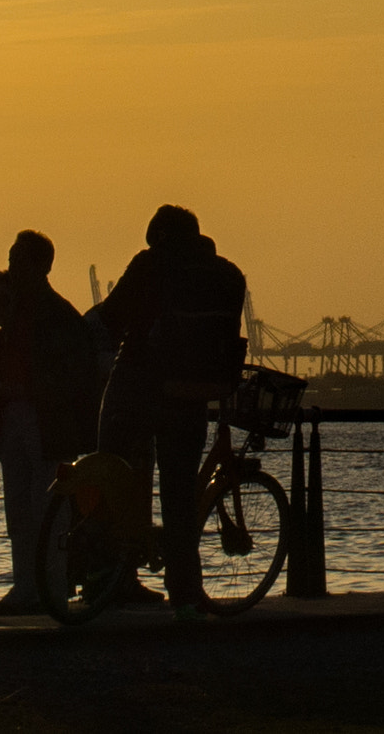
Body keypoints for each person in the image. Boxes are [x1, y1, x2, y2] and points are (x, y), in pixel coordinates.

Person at [91, 205, 247, 622]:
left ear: (158, 236)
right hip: (192, 395)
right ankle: (186, 595)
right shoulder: (228, 275)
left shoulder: (150, 264)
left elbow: (110, 317)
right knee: (179, 496)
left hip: (139, 386)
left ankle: (111, 572)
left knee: (110, 469)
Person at [0, 230, 102, 616]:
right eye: (12, 258)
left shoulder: (52, 314)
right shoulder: (36, 311)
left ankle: (46, 589)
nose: (12, 265)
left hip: (44, 421)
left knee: (46, 509)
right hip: (23, 416)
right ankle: (29, 587)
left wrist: (9, 388)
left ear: (40, 265)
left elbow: (60, 374)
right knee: (21, 508)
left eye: (18, 259)